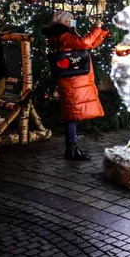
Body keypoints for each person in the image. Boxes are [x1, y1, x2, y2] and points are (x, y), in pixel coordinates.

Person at [42, 11, 109, 161]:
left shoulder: (65, 36)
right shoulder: (64, 36)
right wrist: (96, 28)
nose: (73, 21)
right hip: (73, 80)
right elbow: (84, 42)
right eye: (70, 19)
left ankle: (72, 148)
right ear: (64, 22)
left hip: (74, 79)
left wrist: (101, 33)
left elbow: (88, 45)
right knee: (72, 114)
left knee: (72, 114)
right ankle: (71, 149)